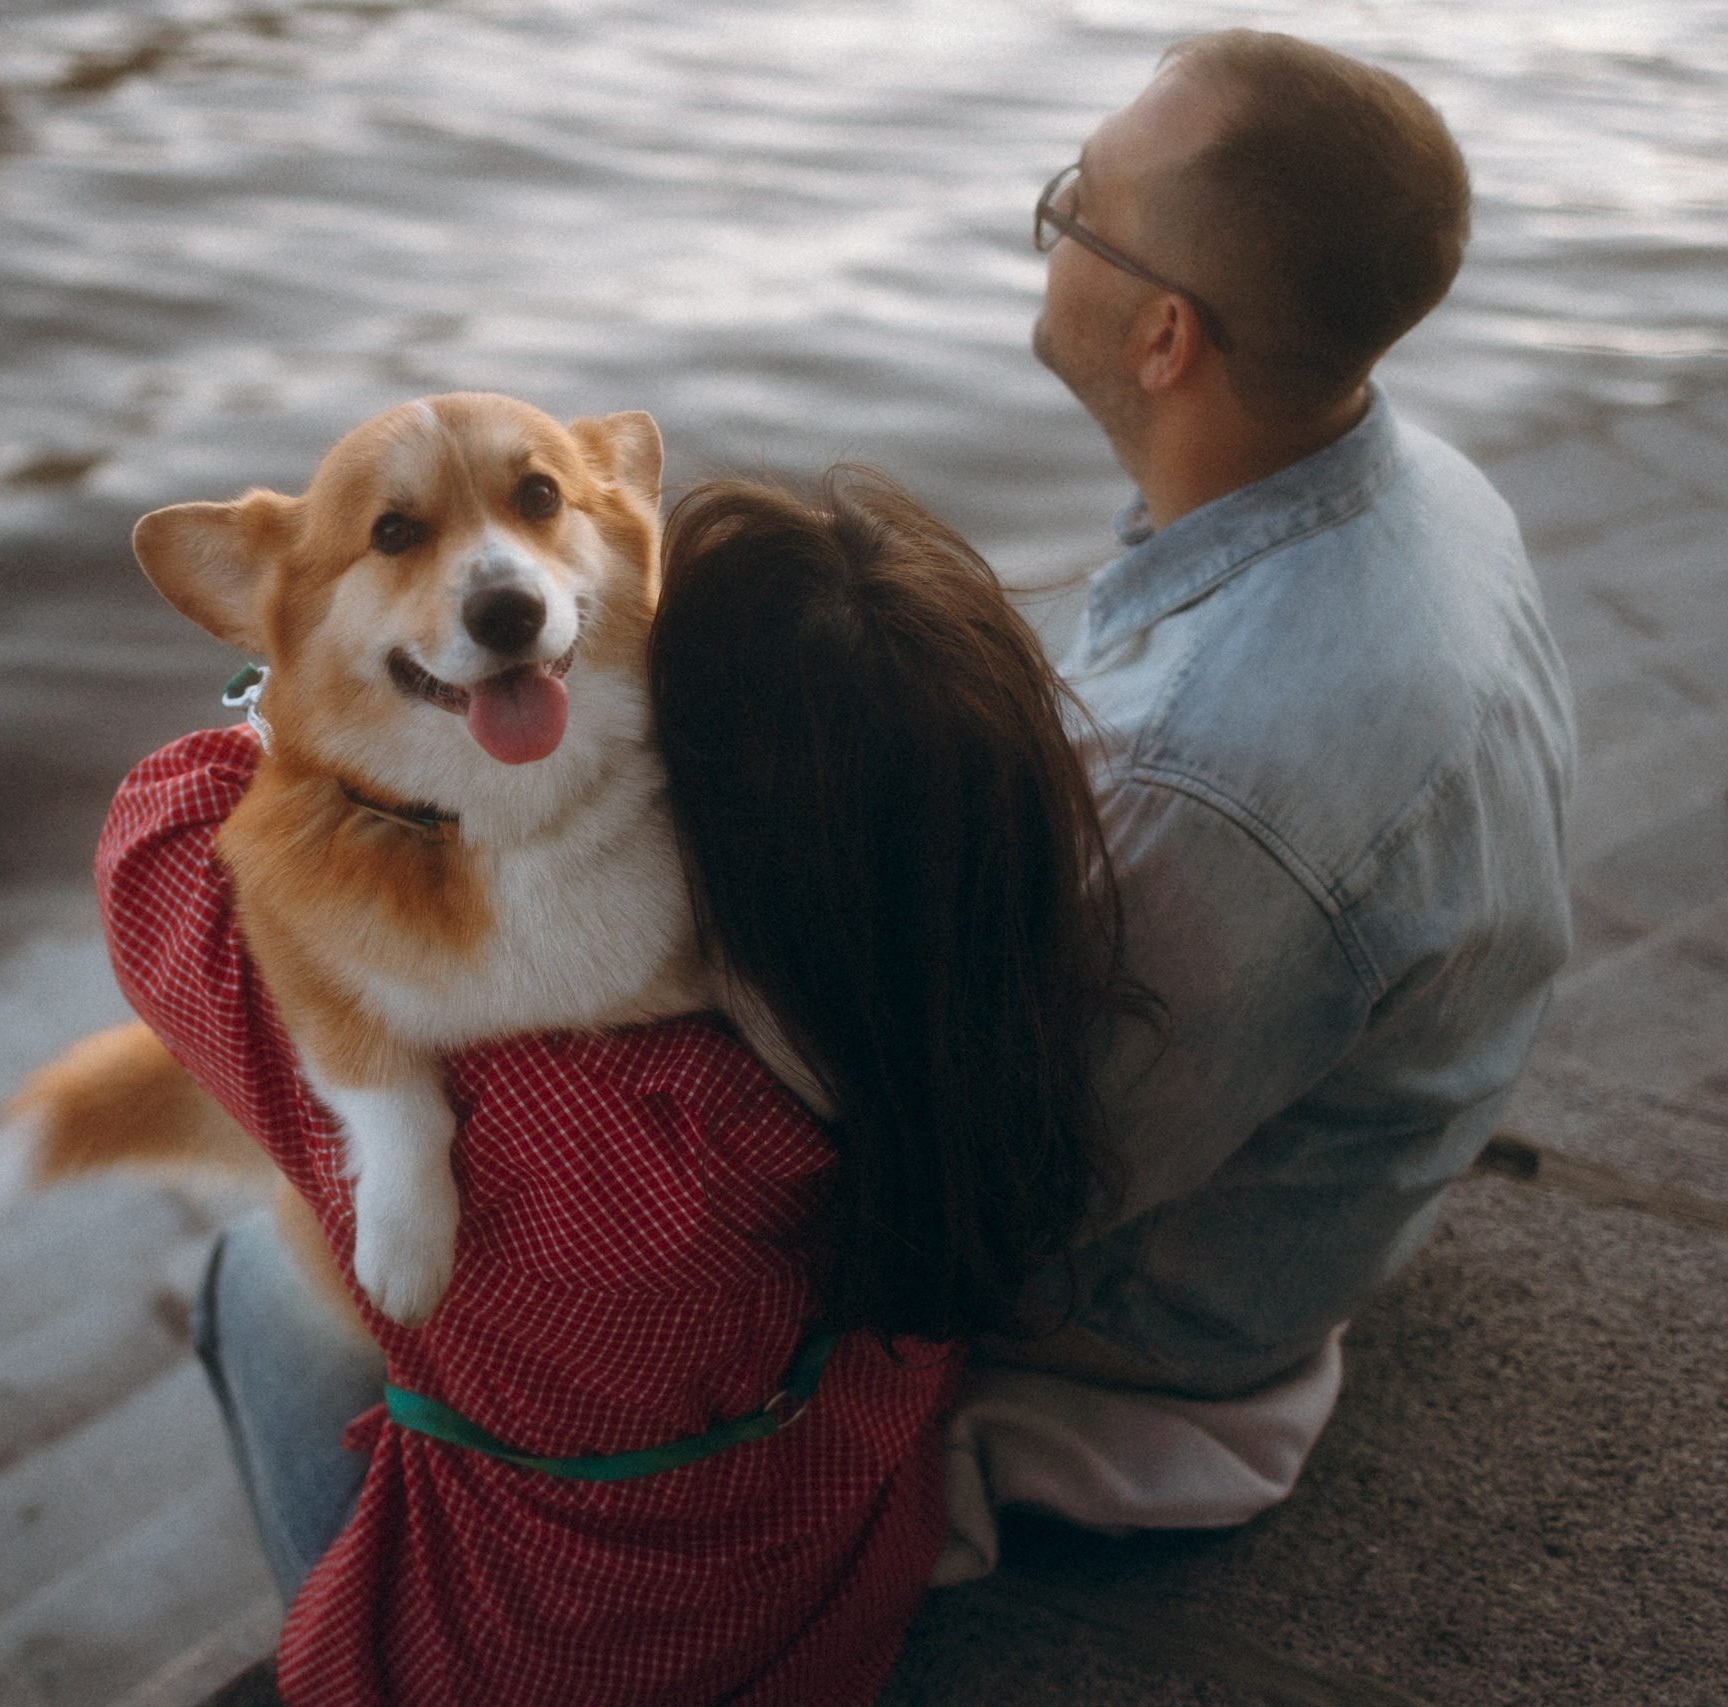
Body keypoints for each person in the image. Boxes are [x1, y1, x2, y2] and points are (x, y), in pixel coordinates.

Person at [106, 472, 1133, 1704]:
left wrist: (334, 693)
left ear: (697, 798)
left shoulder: (581, 1140)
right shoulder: (987, 990)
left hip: (520, 1662)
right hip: (820, 1601)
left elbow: (157, 836)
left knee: (252, 1277)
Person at [929, 29, 1576, 1582]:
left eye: (1079, 199)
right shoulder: (1421, 481)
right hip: (1343, 1138)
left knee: (308, 1304)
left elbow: (999, 1205)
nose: (1055, 216)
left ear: (1165, 339)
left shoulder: (1203, 781)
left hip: (1179, 1305)